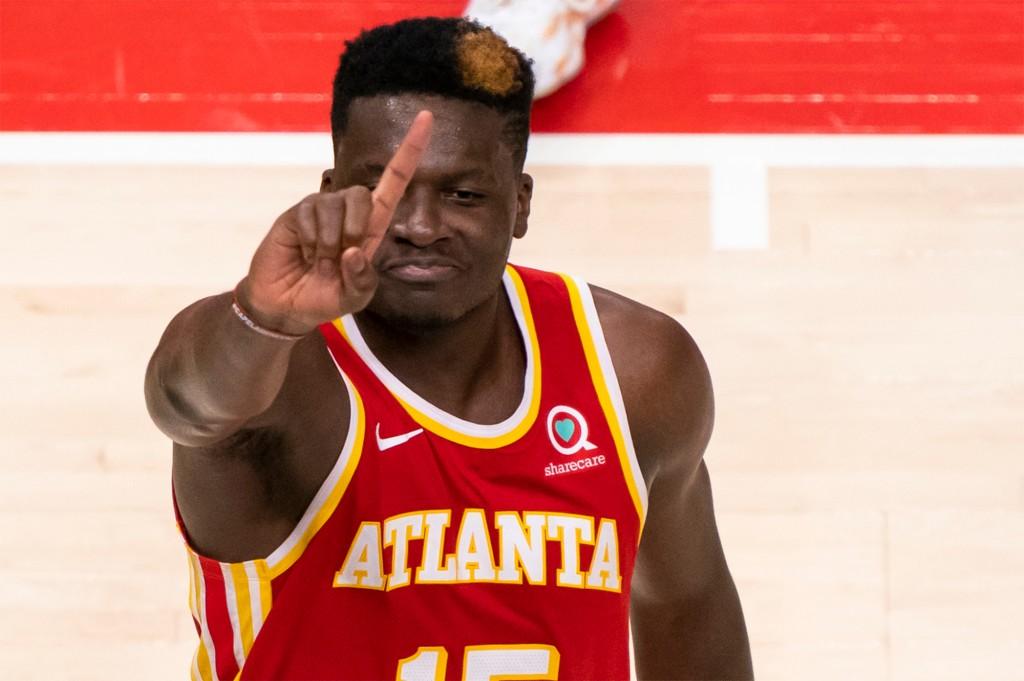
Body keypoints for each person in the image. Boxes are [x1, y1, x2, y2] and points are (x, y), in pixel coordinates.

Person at [145, 16, 752, 681]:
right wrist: (259, 320)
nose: (419, 227)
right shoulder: (288, 378)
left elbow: (684, 604)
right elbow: (187, 404)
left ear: (519, 205)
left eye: (463, 194)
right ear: (329, 192)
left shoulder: (634, 373)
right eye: (387, 194)